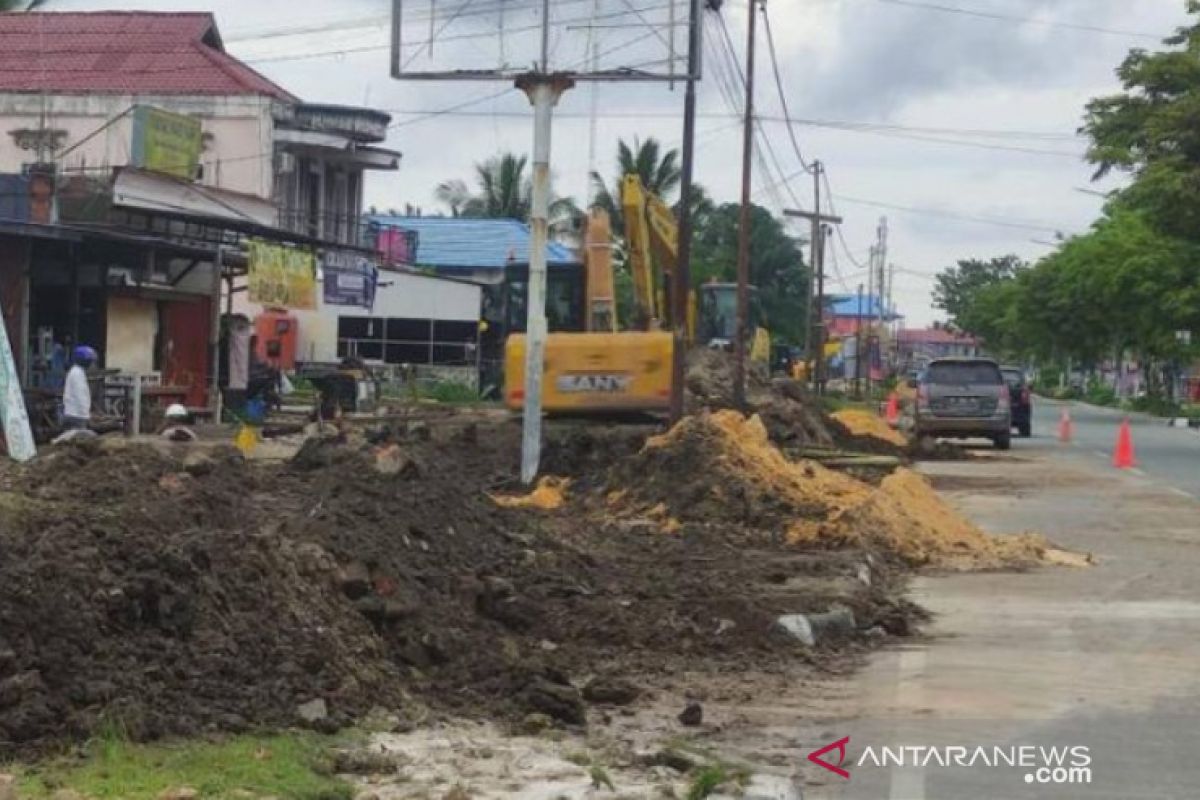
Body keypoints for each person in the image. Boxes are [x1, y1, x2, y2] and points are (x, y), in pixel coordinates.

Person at [62, 345, 96, 431]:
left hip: (74, 413)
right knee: (78, 440)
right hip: (77, 415)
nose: (91, 364)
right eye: (90, 361)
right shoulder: (77, 373)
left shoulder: (77, 372)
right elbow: (80, 395)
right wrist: (86, 413)